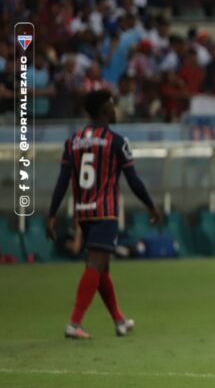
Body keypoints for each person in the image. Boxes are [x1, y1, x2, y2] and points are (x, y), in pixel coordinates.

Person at [46, 89, 162, 339]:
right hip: (105, 211)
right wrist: (151, 205)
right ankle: (74, 323)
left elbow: (62, 181)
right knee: (95, 265)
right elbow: (134, 180)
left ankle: (119, 320)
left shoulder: (73, 141)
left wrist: (52, 213)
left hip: (83, 212)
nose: (115, 108)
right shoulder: (117, 141)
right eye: (111, 104)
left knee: (102, 269)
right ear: (103, 110)